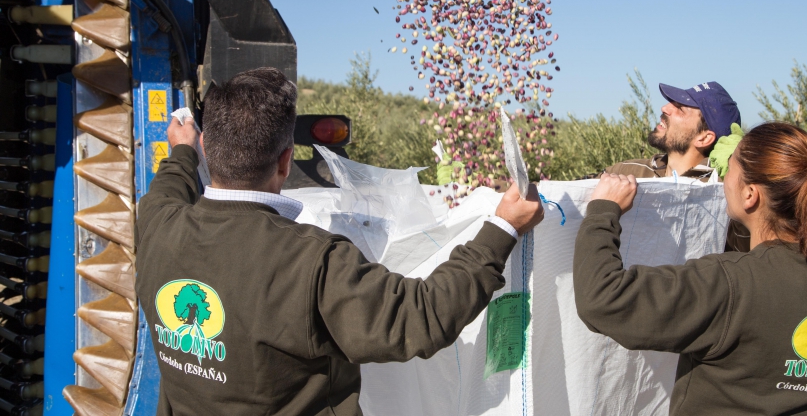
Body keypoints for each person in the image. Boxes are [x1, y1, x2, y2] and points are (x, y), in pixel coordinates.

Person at [135, 68, 544, 415]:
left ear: (208, 147)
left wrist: (183, 152)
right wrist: (502, 228)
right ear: (284, 161)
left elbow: (169, 185)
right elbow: (421, 316)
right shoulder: (310, 261)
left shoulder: (156, 224)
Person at [574, 121, 807, 415]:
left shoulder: (731, 284)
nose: (724, 177)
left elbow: (604, 299)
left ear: (750, 194)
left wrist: (603, 210)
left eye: (730, 168)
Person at [606, 81, 749, 251]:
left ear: (704, 138)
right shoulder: (628, 171)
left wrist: (743, 171)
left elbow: (748, 253)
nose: (665, 108)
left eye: (680, 109)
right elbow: (573, 197)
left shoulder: (721, 193)